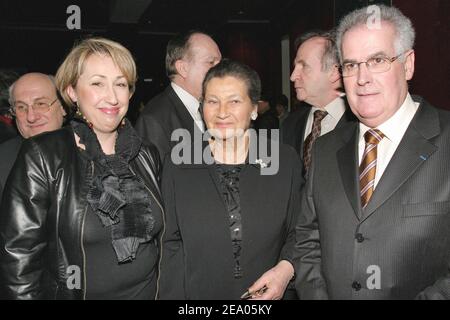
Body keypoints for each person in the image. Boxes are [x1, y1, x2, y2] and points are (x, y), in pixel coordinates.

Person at [292, 5, 450, 299]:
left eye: (377, 60)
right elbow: (307, 242)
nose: (362, 78)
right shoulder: (326, 149)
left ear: (408, 64)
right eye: (351, 65)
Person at [0, 37, 163, 300]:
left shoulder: (146, 155)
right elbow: (18, 261)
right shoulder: (44, 155)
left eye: (120, 84)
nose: (112, 96)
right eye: (97, 83)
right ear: (72, 91)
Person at [159, 59, 301, 300]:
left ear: (254, 109)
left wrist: (286, 270)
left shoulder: (284, 161)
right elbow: (169, 244)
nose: (222, 112)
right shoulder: (179, 163)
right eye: (212, 101)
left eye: (234, 101)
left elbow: (299, 231)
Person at [135, 30, 222, 160]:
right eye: (211, 62)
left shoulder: (212, 108)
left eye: (220, 63)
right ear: (183, 68)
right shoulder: (154, 120)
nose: (221, 70)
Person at [283, 30, 356, 177]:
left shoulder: (361, 124)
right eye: (295, 66)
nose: (292, 77)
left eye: (303, 66)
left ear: (335, 72)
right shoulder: (290, 123)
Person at [0, 73, 66, 198]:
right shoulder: (2, 160)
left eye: (41, 104)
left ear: (63, 106)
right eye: (21, 107)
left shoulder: (90, 151)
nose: (31, 117)